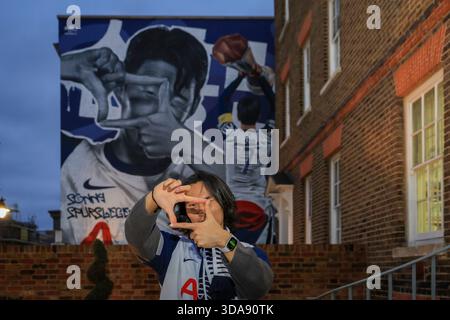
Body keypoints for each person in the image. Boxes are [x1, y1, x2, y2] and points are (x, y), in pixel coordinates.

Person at [60, 27, 223, 244]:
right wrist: (67, 65)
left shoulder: (196, 178)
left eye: (178, 99)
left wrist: (180, 140)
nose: (160, 112)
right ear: (121, 89)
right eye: (148, 92)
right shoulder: (72, 158)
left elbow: (236, 193)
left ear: (193, 105)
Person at [125, 171, 273, 300]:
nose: (201, 208)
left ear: (224, 203)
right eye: (192, 204)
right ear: (185, 213)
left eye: (207, 200)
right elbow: (137, 236)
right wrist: (153, 199)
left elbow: (258, 287)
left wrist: (224, 241)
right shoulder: (171, 248)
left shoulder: (249, 252)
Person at [216, 65, 277, 244]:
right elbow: (274, 103)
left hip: (233, 206)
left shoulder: (229, 133)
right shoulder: (266, 136)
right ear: (259, 115)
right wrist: (259, 77)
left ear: (237, 115)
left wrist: (240, 77)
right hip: (259, 207)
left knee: (231, 256)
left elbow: (223, 100)